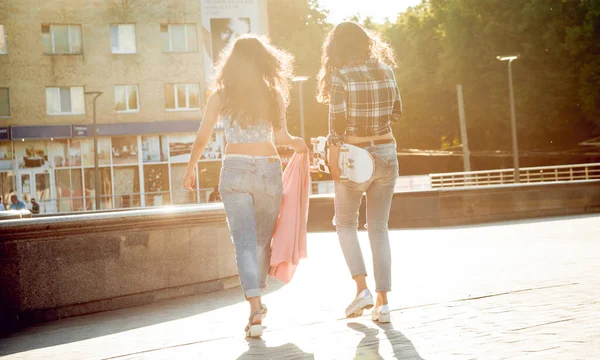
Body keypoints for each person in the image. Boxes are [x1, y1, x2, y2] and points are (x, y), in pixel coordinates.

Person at [183, 35, 307, 338]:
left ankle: (254, 306)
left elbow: (202, 137)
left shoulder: (221, 95)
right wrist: (296, 143)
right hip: (267, 169)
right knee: (262, 241)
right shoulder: (273, 94)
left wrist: (190, 168)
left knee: (243, 244)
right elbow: (281, 138)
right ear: (265, 60)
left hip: (235, 168)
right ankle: (258, 299)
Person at [317, 22, 402, 323]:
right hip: (387, 151)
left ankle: (362, 289)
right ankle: (384, 302)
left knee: (344, 224)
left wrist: (332, 159)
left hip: (354, 155)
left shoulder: (341, 75)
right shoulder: (387, 71)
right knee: (379, 228)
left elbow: (336, 127)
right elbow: (396, 112)